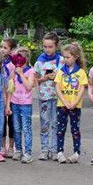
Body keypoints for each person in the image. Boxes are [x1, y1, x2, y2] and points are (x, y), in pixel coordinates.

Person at [54, 42, 87, 164]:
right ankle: (59, 152)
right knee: (60, 129)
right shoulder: (61, 71)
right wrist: (64, 101)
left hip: (75, 106)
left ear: (75, 57)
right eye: (64, 57)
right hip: (62, 105)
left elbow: (82, 89)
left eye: (68, 57)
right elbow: (57, 87)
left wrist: (74, 103)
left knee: (75, 129)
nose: (65, 60)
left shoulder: (81, 73)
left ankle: (76, 153)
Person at [34, 32, 62, 161]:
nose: (47, 49)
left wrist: (56, 76)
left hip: (57, 97)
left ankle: (54, 149)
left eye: (50, 46)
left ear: (56, 46)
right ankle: (44, 149)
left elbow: (65, 78)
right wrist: (44, 78)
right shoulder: (39, 62)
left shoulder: (61, 60)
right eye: (45, 46)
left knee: (55, 123)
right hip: (44, 97)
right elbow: (34, 80)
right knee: (44, 123)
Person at [9, 48, 35, 163]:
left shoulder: (30, 71)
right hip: (15, 102)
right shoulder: (14, 70)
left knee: (26, 128)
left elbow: (29, 86)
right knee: (16, 128)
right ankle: (18, 149)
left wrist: (21, 73)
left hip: (25, 104)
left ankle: (28, 152)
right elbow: (10, 86)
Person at [0, 37, 18, 156]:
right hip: (1, 96)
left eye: (5, 48)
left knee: (11, 123)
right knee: (1, 123)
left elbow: (13, 81)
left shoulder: (14, 64)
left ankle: (11, 147)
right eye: (1, 47)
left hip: (12, 96)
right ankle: (2, 146)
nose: (2, 49)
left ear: (11, 50)